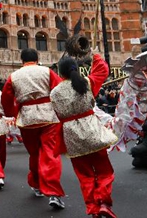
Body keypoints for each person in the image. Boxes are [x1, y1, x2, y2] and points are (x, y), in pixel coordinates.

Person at [50, 52, 117, 218]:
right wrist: (95, 56)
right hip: (92, 130)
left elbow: (57, 117)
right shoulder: (86, 83)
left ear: (60, 73)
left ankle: (93, 209)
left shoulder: (54, 93)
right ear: (76, 70)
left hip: (71, 135)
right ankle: (103, 202)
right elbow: (102, 71)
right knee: (104, 171)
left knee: (84, 175)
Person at [1, 48, 65, 210]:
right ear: (37, 58)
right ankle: (53, 192)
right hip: (48, 115)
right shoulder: (47, 71)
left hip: (27, 118)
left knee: (35, 154)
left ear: (22, 60)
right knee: (50, 153)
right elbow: (59, 91)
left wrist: (13, 113)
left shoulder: (13, 76)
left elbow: (7, 100)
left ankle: (36, 183)